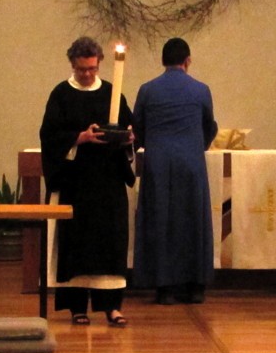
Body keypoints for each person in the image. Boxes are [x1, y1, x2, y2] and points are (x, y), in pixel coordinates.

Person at [39, 36, 135, 326]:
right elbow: (49, 137)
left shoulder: (112, 93)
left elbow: (129, 128)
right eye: (82, 69)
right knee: (77, 245)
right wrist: (80, 137)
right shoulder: (61, 94)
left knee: (110, 242)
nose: (87, 74)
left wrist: (129, 138)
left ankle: (112, 307)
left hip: (108, 181)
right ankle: (77, 307)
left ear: (99, 64)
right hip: (76, 182)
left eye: (92, 69)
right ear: (72, 64)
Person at [133, 37, 218, 305]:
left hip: (158, 164)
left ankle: (164, 288)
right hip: (190, 163)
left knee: (161, 222)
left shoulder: (147, 90)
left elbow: (138, 129)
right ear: (187, 61)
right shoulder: (201, 90)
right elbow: (209, 126)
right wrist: (195, 146)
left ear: (162, 61)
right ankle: (196, 287)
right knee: (193, 221)